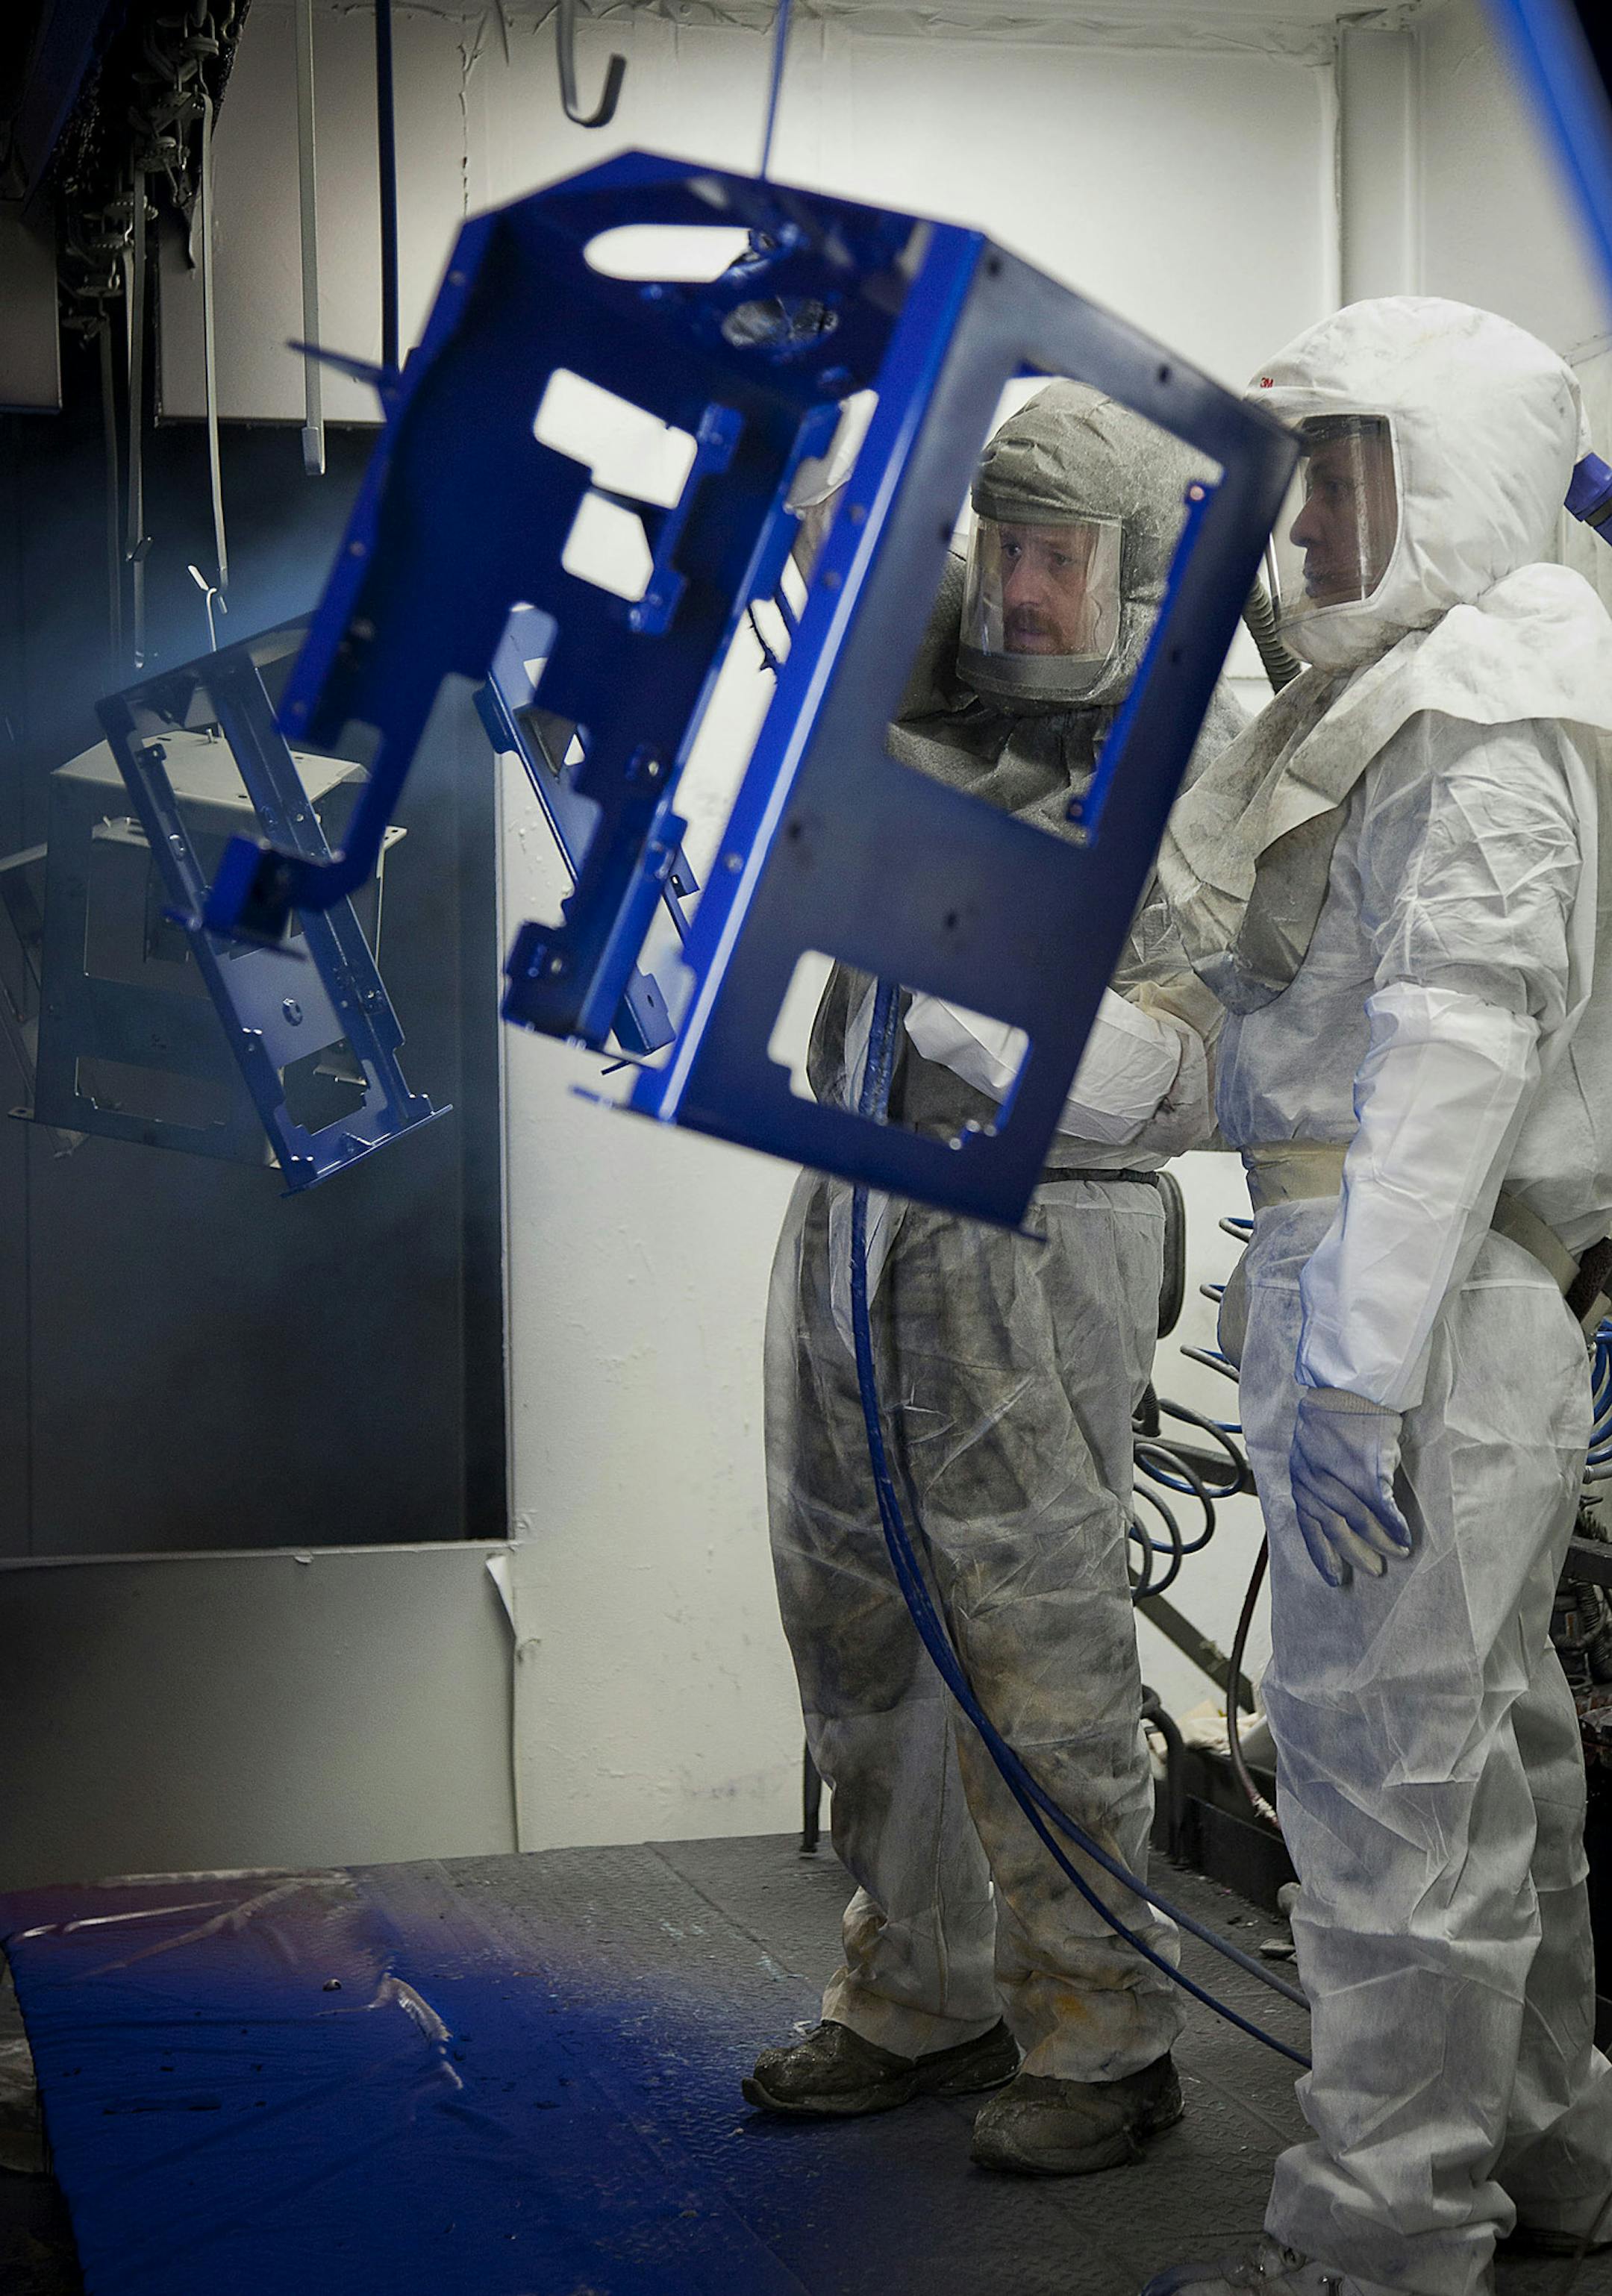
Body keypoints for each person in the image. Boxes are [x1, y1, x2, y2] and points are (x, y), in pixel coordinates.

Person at [1147, 297, 1612, 2296]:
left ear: (1464, 479)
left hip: (1417, 1307)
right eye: (1308, 468)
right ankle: (1549, 2148)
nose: (1321, 513)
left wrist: (1351, 1369)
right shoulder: (1416, 699)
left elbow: (1450, 1055)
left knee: (1384, 1792)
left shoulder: (1491, 716)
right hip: (1414, 1298)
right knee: (1493, 1758)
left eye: (1359, 466)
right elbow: (1300, 1032)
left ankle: (1382, 2237)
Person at [747, 381, 1240, 2176]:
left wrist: (935, 954)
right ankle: (923, 1992)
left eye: (1063, 562)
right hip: (859, 1190)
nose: (1025, 596)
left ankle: (1106, 2041)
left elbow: (1166, 1078)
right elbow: (825, 540)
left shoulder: (1189, 756)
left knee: (1033, 1643)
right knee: (852, 1610)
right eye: (1007, 552)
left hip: (1043, 1217)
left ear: (1143, 570)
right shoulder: (954, 677)